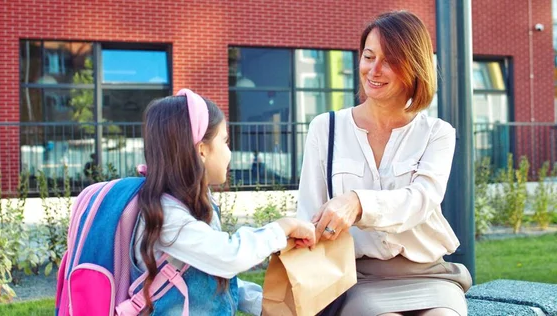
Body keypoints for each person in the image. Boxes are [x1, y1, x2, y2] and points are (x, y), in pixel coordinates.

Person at [296, 11, 472, 316]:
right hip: (355, 278)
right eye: (368, 56)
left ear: (414, 66)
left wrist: (357, 203)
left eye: (389, 60)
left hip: (429, 274)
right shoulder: (326, 128)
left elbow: (421, 199)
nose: (374, 70)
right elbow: (309, 212)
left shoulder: (437, 133)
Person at [133, 89, 316, 315]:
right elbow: (230, 257)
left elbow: (212, 277)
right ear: (201, 150)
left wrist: (267, 305)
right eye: (225, 141)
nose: (229, 152)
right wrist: (284, 227)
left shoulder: (186, 203)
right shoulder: (168, 215)